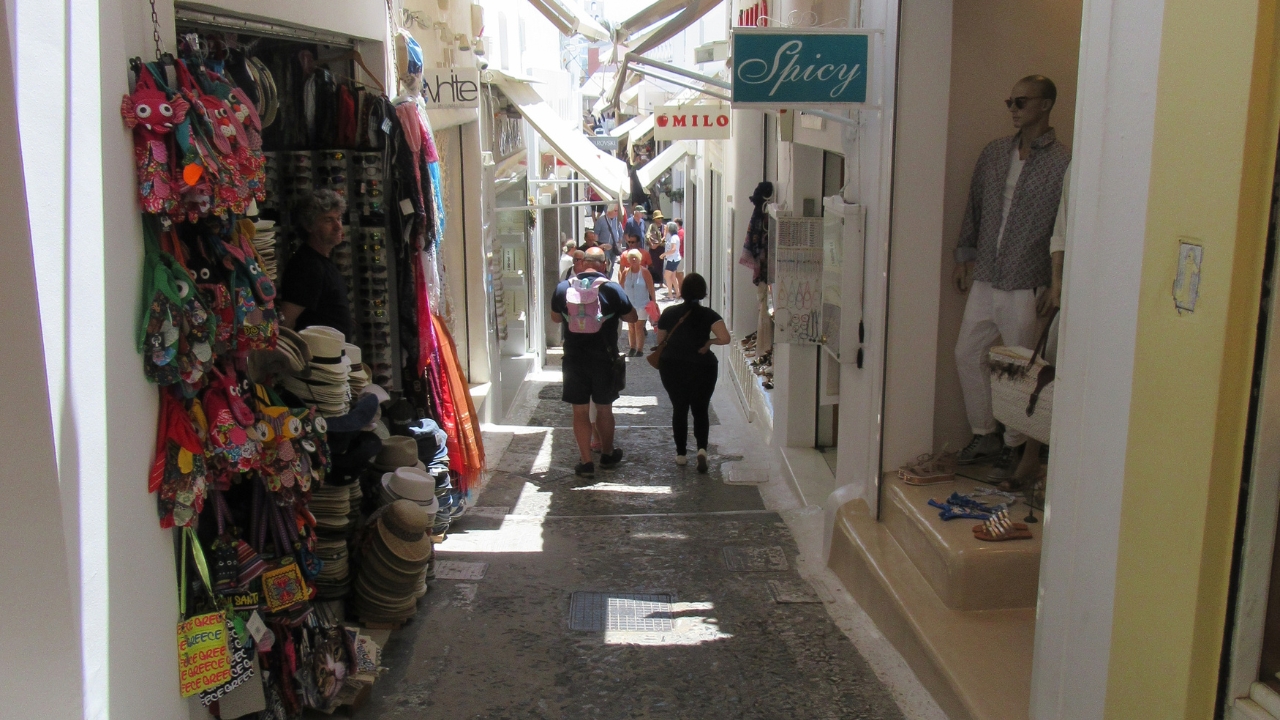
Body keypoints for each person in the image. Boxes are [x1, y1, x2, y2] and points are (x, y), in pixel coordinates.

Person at [953, 75, 1070, 475]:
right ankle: (984, 432)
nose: (1013, 110)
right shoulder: (995, 153)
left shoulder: (1063, 163)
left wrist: (1058, 281)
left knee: (1020, 367)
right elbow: (976, 204)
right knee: (968, 353)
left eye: (1021, 102)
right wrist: (964, 255)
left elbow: (1065, 224)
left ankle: (1015, 446)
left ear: (1045, 105)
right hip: (987, 271)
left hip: (1027, 277)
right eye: (1010, 102)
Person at [550, 247, 638, 478]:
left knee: (579, 411)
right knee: (604, 408)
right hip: (604, 358)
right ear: (603, 265)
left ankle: (586, 461)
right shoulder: (611, 288)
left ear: (583, 264)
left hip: (574, 358)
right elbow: (632, 317)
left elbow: (555, 317)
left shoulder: (563, 287)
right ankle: (607, 454)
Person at [655, 274, 730, 472]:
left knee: (679, 408)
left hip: (672, 366)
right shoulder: (709, 315)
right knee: (700, 408)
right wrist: (709, 342)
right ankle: (702, 450)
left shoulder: (669, 313)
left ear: (682, 290)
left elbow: (660, 341)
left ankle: (681, 454)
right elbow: (725, 338)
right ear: (703, 292)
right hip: (702, 366)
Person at [278, 189, 353, 340]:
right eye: (328, 220)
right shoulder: (307, 266)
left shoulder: (321, 261)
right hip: (316, 360)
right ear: (309, 226)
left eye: (338, 218)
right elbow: (284, 321)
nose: (338, 226)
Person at [620, 249, 656, 357]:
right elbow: (621, 287)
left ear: (639, 259)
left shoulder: (644, 272)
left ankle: (639, 349)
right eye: (631, 258)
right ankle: (632, 347)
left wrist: (654, 301)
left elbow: (651, 288)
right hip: (629, 304)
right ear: (628, 260)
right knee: (631, 327)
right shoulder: (625, 272)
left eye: (635, 257)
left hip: (642, 304)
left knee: (639, 326)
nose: (634, 259)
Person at [660, 220, 683, 299]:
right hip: (675, 258)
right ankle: (677, 293)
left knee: (667, 276)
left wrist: (663, 255)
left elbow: (673, 249)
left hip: (672, 259)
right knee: (673, 277)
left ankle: (670, 295)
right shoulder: (674, 237)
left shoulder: (673, 238)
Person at [646, 209, 666, 287]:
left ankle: (661, 282)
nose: (660, 219)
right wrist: (651, 244)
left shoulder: (664, 226)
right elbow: (647, 235)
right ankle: (652, 282)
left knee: (660, 265)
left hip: (661, 248)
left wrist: (658, 243)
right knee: (653, 265)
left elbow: (664, 236)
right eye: (658, 218)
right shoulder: (652, 226)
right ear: (655, 219)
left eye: (660, 218)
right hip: (653, 249)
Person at [674, 218, 686, 289]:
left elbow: (679, 243)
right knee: (677, 274)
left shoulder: (680, 232)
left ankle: (681, 290)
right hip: (679, 255)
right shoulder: (679, 232)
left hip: (680, 255)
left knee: (679, 274)